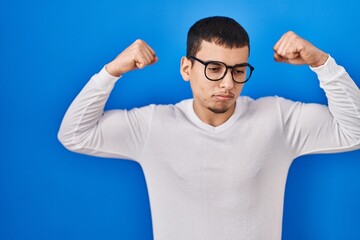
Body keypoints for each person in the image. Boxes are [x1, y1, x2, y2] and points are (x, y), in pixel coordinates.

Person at [58, 16, 360, 240]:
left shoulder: (276, 118)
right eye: (214, 69)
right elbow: (73, 134)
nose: (227, 83)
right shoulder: (154, 125)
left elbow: (354, 131)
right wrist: (112, 71)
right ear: (186, 69)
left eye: (238, 70)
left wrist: (322, 63)